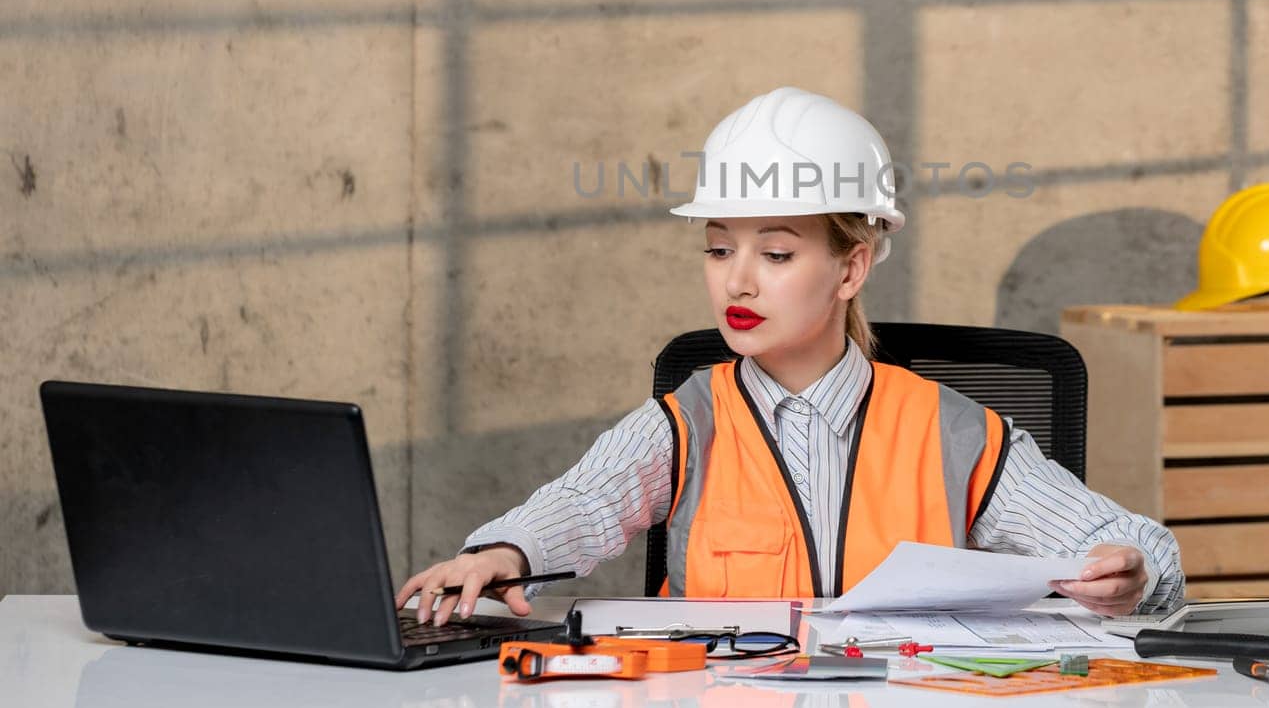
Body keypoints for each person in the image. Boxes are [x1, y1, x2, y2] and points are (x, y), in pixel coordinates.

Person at [397, 87, 1185, 625]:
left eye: (775, 253)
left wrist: (1130, 576)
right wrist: (502, 550)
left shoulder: (955, 433)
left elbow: (1143, 552)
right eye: (717, 250)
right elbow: (585, 503)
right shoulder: (685, 423)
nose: (736, 280)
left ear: (850, 268)